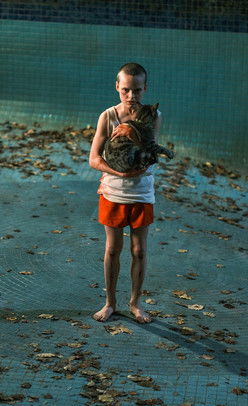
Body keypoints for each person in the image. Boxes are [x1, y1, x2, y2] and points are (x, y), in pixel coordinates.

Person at [88, 62, 161, 324]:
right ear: (117, 86)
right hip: (113, 191)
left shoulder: (153, 116)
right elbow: (94, 159)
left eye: (137, 90)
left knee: (139, 250)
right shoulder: (107, 116)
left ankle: (135, 304)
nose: (131, 96)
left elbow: (152, 153)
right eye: (126, 90)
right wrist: (119, 173)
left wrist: (133, 133)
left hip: (142, 192)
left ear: (145, 88)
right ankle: (110, 303)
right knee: (112, 249)